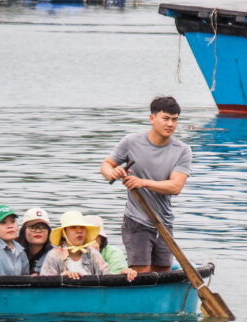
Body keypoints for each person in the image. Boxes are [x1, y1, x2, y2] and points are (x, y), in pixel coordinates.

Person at [100, 96, 191, 273]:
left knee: (163, 272)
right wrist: (113, 172)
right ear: (152, 118)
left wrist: (142, 182)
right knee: (141, 273)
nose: (170, 124)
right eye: (165, 118)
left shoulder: (182, 150)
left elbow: (175, 187)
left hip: (164, 221)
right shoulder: (131, 142)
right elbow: (106, 165)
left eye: (175, 120)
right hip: (136, 220)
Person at [40, 210, 136, 281]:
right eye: (73, 228)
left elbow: (106, 278)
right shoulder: (54, 255)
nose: (79, 231)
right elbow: (44, 283)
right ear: (64, 233)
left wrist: (122, 274)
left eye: (82, 227)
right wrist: (61, 278)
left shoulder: (93, 253)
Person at [17, 207, 53, 274]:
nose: (38, 231)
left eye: (43, 227)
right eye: (33, 227)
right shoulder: (12, 251)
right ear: (24, 230)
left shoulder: (56, 254)